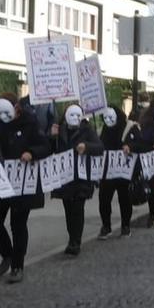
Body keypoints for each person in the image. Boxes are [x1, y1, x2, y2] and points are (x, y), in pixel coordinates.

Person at [0, 94, 48, 280]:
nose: (4, 115)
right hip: (1, 181)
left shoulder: (30, 122)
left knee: (18, 224)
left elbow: (45, 146)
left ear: (16, 108)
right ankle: (7, 253)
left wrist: (31, 152)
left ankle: (17, 266)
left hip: (23, 183)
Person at [54, 104, 97, 254]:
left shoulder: (87, 130)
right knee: (68, 209)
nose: (75, 118)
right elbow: (51, 148)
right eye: (72, 115)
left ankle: (76, 242)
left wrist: (86, 146)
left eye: (78, 115)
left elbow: (99, 147)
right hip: (65, 177)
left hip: (81, 177)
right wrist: (52, 136)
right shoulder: (59, 130)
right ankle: (71, 238)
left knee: (78, 209)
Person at [98, 107, 134, 238]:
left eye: (111, 118)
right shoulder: (104, 129)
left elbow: (139, 143)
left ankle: (125, 225)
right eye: (105, 118)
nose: (108, 120)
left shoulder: (129, 127)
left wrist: (130, 146)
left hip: (123, 171)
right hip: (107, 171)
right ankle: (106, 226)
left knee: (124, 199)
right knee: (104, 200)